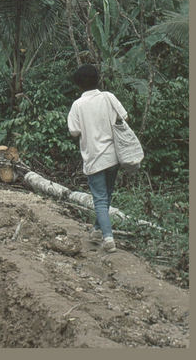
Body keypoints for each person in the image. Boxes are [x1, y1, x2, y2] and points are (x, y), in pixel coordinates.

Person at [67, 64, 127, 254]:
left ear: (78, 84)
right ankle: (96, 230)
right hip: (113, 156)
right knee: (106, 196)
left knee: (100, 199)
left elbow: (74, 131)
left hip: (94, 157)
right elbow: (124, 117)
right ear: (97, 80)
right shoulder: (108, 97)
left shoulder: (78, 105)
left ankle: (108, 237)